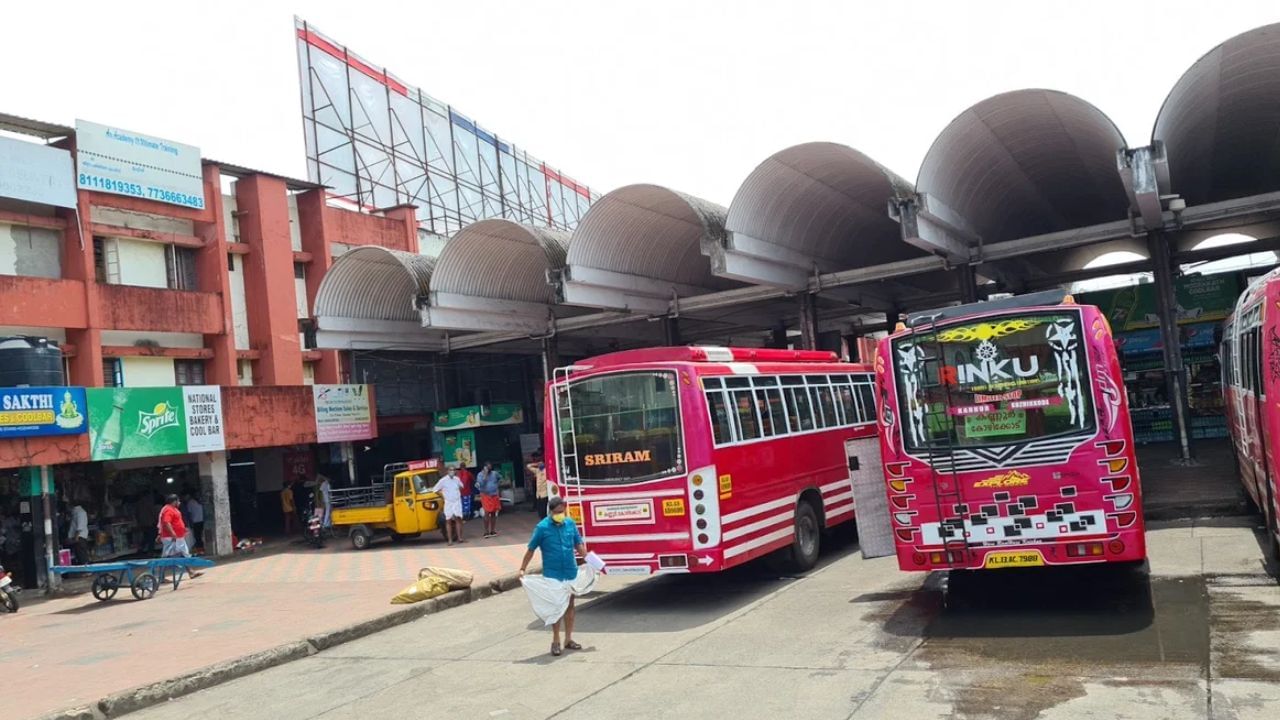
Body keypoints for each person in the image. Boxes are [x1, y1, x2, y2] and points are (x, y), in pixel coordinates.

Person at [519, 497, 588, 656]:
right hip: (553, 573)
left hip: (570, 571)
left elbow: (578, 544)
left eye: (562, 512)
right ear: (550, 512)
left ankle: (568, 639)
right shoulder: (542, 528)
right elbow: (531, 549)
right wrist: (522, 568)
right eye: (557, 513)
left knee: (570, 604)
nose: (560, 515)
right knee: (556, 606)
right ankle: (556, 640)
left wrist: (591, 562)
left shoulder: (570, 524)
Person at [159, 494, 202, 577]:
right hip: (172, 537)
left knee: (183, 554)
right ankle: (162, 576)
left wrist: (182, 529)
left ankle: (190, 571)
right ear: (174, 501)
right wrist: (172, 533)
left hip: (177, 537)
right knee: (168, 556)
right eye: (178, 501)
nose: (179, 503)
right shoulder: (168, 509)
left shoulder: (173, 509)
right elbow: (166, 522)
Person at [431, 466, 466, 545]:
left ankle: (460, 538)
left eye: (453, 470)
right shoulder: (443, 480)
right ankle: (450, 540)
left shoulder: (457, 479)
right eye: (450, 470)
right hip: (448, 502)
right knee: (448, 520)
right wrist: (443, 495)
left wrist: (457, 492)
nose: (452, 471)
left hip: (457, 501)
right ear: (447, 471)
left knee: (458, 519)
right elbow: (435, 490)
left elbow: (462, 486)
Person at [476, 461, 502, 538]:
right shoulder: (480, 475)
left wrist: (498, 484)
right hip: (485, 495)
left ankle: (493, 530)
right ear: (484, 467)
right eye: (487, 467)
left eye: (490, 466)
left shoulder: (495, 473)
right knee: (486, 513)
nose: (489, 468)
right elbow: (480, 484)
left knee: (494, 513)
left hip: (494, 495)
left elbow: (500, 478)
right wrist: (485, 475)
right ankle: (486, 531)